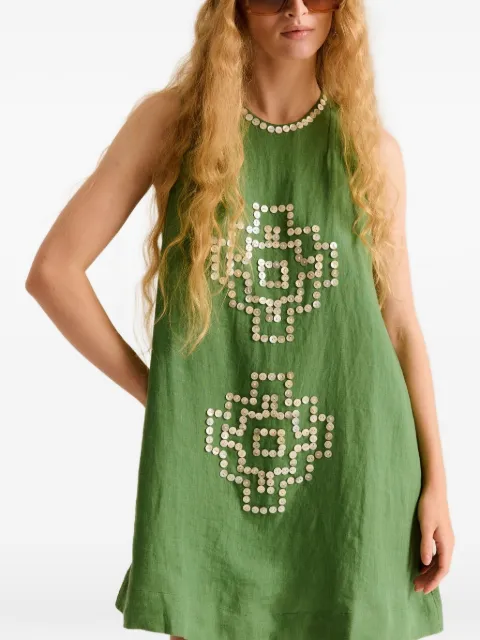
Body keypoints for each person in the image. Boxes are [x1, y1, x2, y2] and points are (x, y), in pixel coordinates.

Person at [25, 1, 454, 639]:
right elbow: (54, 272)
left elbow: (400, 326)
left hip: (358, 468)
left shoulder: (371, 150)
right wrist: (160, 393)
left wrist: (437, 484)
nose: (298, 8)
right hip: (211, 473)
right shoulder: (173, 124)